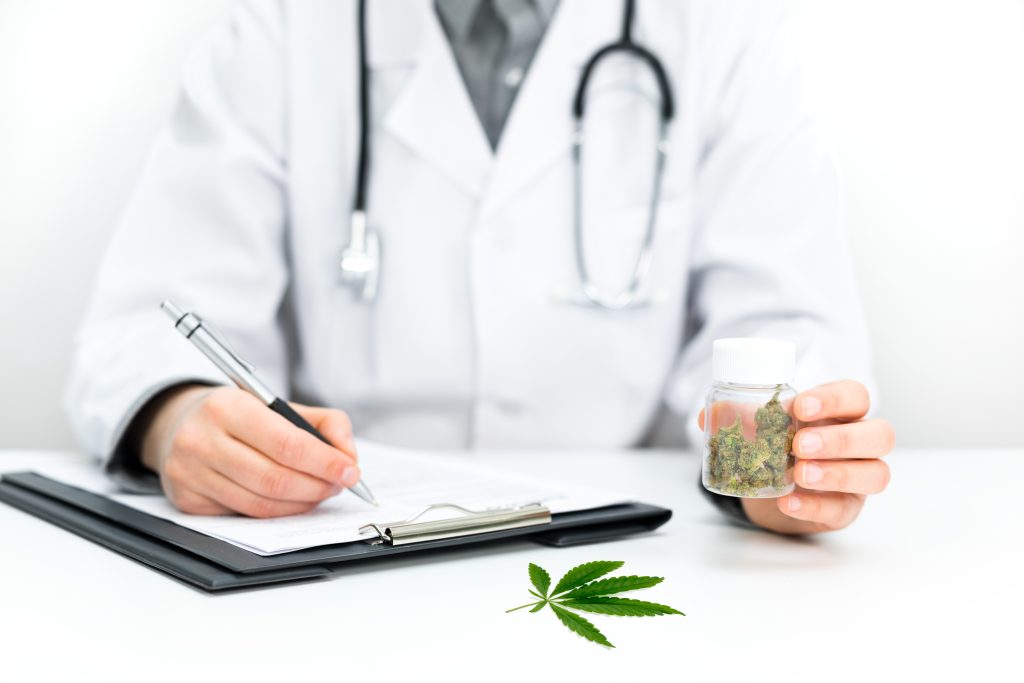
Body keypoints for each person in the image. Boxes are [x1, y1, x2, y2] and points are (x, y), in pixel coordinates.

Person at [66, 0, 894, 535]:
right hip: (335, 552)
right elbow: (149, 323)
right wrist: (181, 418)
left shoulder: (722, 32)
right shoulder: (282, 30)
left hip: (621, 550)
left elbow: (784, 329)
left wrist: (784, 467)